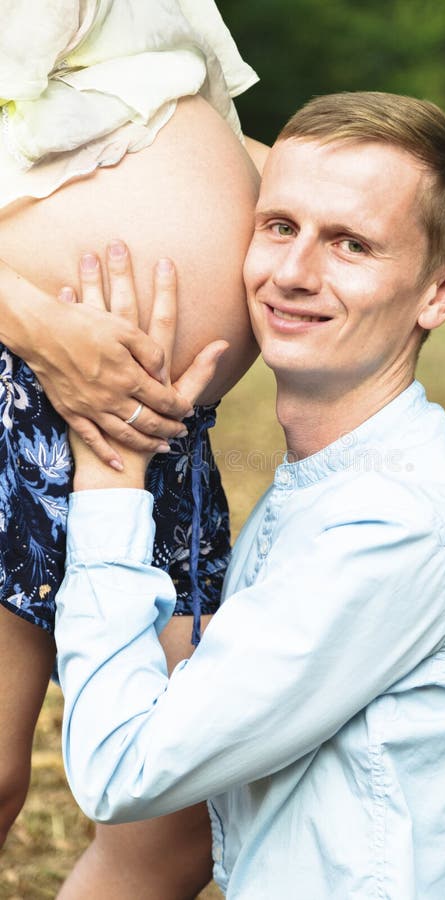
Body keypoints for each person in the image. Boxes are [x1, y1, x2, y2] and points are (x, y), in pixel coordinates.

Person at [55, 92, 445, 899]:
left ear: (441, 292)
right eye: (280, 226)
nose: (292, 273)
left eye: (351, 243)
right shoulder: (343, 477)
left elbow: (122, 770)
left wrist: (109, 477)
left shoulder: (395, 525)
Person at [0, 1, 265, 896]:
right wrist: (36, 323)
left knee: (178, 813)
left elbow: (159, 112)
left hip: (162, 429)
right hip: (18, 385)